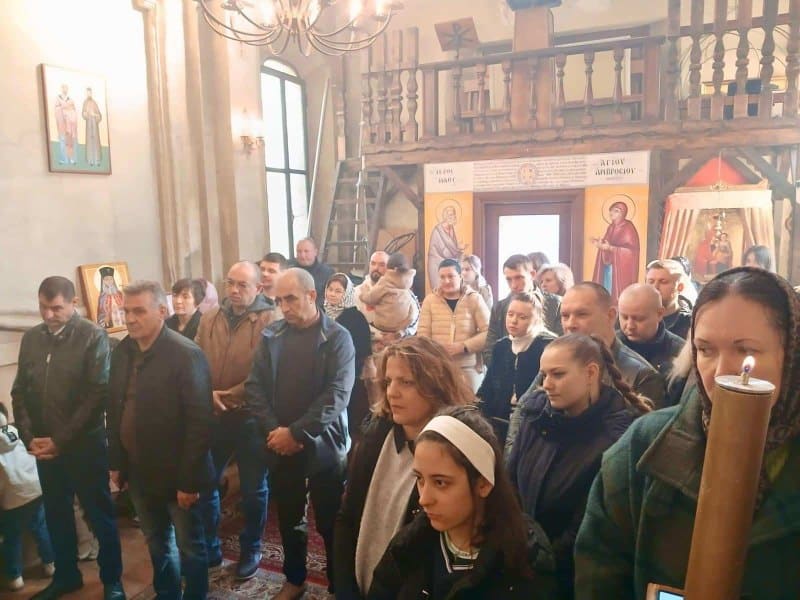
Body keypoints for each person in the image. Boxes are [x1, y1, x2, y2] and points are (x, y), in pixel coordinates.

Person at [574, 267, 800, 599]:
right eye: (706, 350)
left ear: (791, 354)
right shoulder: (644, 445)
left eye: (746, 351)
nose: (721, 372)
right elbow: (599, 571)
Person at [509, 334, 651, 598]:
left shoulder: (617, 437)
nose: (546, 384)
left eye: (558, 374)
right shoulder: (534, 414)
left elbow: (586, 527)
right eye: (544, 375)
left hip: (572, 578)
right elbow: (510, 483)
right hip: (521, 565)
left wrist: (539, 563)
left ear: (590, 373)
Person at [332, 337, 474, 599]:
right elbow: (347, 516)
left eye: (406, 382)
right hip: (359, 582)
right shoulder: (377, 433)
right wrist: (345, 590)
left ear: (436, 385)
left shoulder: (456, 451)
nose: (392, 392)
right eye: (388, 381)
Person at [11, 276, 124, 600]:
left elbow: (97, 394)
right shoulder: (32, 338)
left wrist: (60, 440)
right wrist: (29, 437)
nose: (48, 315)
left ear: (74, 304)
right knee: (57, 514)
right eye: (43, 307)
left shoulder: (92, 336)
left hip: (83, 445)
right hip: (44, 447)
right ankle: (66, 575)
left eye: (56, 308)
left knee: (99, 515)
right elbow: (19, 391)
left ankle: (112, 581)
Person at [245, 268, 355, 600]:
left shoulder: (338, 338)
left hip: (324, 443)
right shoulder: (272, 335)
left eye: (291, 299)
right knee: (289, 517)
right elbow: (254, 387)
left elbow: (337, 395)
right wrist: (275, 432)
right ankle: (294, 579)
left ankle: (339, 585)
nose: (284, 307)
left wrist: (297, 433)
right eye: (279, 300)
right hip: (280, 443)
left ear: (312, 295)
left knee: (330, 520)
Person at [368, 407, 553, 599]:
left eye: (441, 483)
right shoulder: (409, 547)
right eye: (420, 479)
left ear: (483, 484)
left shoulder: (525, 561)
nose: (424, 499)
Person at [108, 281, 213, 600]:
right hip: (140, 471)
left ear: (162, 311)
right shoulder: (123, 351)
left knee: (190, 546)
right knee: (156, 542)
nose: (130, 318)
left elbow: (200, 422)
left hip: (178, 472)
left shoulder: (185, 354)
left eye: (139, 311)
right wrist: (117, 462)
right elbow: (115, 408)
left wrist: (188, 481)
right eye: (126, 311)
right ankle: (167, 593)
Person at [194, 261, 275, 580]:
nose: (234, 290)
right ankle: (211, 547)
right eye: (230, 283)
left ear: (259, 288)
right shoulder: (210, 317)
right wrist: (207, 393)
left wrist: (226, 395)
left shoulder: (271, 319)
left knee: (254, 489)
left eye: (243, 284)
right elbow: (195, 360)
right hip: (213, 413)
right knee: (206, 482)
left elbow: (264, 372)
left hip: (250, 415)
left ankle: (251, 547)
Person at [477, 292, 554, 443]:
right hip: (499, 421)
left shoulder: (548, 346)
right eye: (510, 314)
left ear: (537, 319)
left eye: (522, 317)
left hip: (533, 424)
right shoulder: (501, 346)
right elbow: (488, 388)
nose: (513, 321)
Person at [0, 404, 54, 592]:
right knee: (40, 526)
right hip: (35, 486)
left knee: (12, 536)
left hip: (13, 495)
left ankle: (15, 577)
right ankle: (50, 563)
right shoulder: (18, 432)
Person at [418, 259, 490, 392]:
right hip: (438, 367)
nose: (446, 281)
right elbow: (423, 335)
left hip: (468, 367)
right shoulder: (430, 301)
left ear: (460, 276)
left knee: (471, 404)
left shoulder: (474, 299)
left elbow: (488, 332)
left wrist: (464, 346)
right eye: (442, 277)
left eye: (451, 276)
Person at [484, 254, 562, 369]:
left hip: (546, 372)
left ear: (532, 274)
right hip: (506, 373)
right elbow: (489, 350)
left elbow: (562, 345)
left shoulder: (555, 304)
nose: (514, 285)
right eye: (509, 279)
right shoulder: (499, 308)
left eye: (519, 278)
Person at [324, 273, 372, 436]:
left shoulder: (356, 317)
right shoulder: (320, 314)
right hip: (322, 375)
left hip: (348, 375)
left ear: (347, 293)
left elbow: (363, 349)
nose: (332, 294)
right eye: (330, 289)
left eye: (338, 291)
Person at [617, 284, 685, 384]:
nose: (630, 326)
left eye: (639, 319)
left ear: (660, 314)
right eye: (624, 317)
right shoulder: (608, 346)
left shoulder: (681, 353)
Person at [590, 198, 640, 305]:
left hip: (621, 270)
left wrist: (610, 248)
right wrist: (601, 244)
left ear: (623, 213)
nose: (611, 213)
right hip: (608, 267)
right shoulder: (611, 227)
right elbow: (607, 243)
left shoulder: (628, 227)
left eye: (616, 211)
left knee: (617, 298)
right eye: (611, 210)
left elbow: (631, 251)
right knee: (607, 291)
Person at [358, 252, 417, 336]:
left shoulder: (407, 293)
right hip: (370, 336)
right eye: (373, 263)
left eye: (382, 265)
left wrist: (401, 333)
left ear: (389, 268)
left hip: (395, 335)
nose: (376, 268)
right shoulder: (356, 291)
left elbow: (415, 319)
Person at [645, 259, 693, 339]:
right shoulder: (634, 314)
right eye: (651, 281)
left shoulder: (691, 324)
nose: (655, 287)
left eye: (663, 282)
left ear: (680, 287)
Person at [427, 204, 466, 290]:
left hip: (447, 265)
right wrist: (458, 250)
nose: (453, 217)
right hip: (437, 264)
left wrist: (459, 250)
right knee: (440, 291)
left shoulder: (451, 228)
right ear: (445, 217)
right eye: (451, 215)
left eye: (454, 214)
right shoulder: (437, 231)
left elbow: (451, 248)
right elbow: (445, 252)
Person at [290, 237, 335, 306]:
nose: (302, 255)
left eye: (306, 251)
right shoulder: (289, 273)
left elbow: (331, 297)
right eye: (299, 251)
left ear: (315, 252)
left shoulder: (328, 273)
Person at [258, 251, 288, 317]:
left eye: (271, 271)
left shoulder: (289, 301)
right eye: (262, 269)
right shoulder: (251, 297)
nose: (264, 274)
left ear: (284, 274)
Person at [54, 84, 78, 165]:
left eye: (66, 88)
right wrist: (64, 110)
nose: (65, 89)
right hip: (62, 124)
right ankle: (64, 159)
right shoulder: (58, 98)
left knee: (70, 142)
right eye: (64, 88)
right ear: (61, 89)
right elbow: (57, 110)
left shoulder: (70, 100)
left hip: (70, 126)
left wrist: (69, 112)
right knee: (62, 140)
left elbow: (74, 111)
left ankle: (71, 159)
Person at [82, 87, 102, 167]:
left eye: (89, 93)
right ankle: (90, 160)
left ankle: (97, 160)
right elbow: (83, 114)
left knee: (96, 141)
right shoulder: (85, 103)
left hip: (94, 125)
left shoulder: (94, 103)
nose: (88, 94)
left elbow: (99, 115)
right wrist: (86, 114)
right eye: (87, 93)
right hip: (89, 125)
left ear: (91, 93)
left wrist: (95, 114)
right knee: (89, 141)